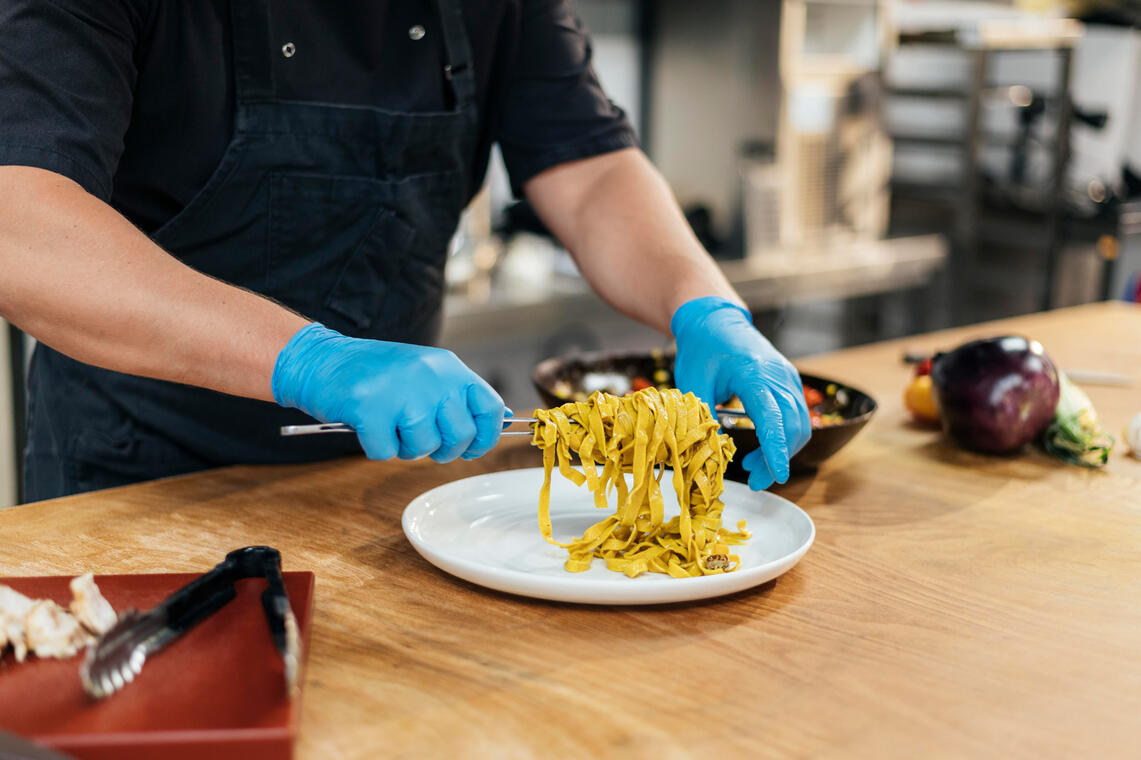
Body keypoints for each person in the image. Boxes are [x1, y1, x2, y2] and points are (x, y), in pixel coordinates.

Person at [0, 0, 810, 502]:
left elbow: (591, 170)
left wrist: (704, 304)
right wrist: (312, 361)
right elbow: (22, 225)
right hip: (138, 476)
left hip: (382, 480)